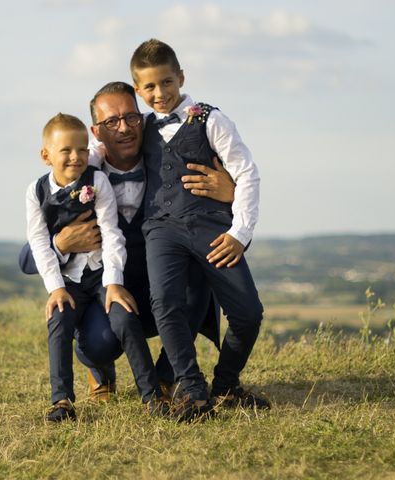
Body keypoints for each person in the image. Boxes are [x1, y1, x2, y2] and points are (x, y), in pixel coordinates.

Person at [20, 83, 237, 411]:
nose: (124, 128)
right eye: (111, 122)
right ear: (97, 131)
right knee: (100, 342)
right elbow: (26, 259)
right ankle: (96, 365)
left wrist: (231, 191)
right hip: (103, 296)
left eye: (131, 117)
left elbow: (213, 211)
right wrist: (60, 243)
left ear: (143, 119)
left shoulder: (170, 163)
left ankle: (167, 375)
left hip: (158, 293)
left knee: (198, 275)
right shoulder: (81, 175)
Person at [130, 38, 270, 420]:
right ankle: (191, 390)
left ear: (181, 77)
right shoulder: (140, 128)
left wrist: (240, 232)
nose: (160, 93)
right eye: (149, 87)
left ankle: (226, 385)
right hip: (161, 229)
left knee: (247, 314)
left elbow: (247, 174)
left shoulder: (211, 119)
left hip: (213, 229)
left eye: (166, 83)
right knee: (166, 302)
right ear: (139, 90)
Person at [26, 113, 168, 422]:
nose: (75, 157)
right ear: (46, 155)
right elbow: (38, 243)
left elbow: (112, 232)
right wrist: (56, 289)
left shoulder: (97, 180)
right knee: (59, 319)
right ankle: (61, 400)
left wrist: (114, 282)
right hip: (68, 280)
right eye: (66, 150)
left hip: (102, 272)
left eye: (80, 149)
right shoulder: (36, 192)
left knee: (125, 317)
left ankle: (153, 395)